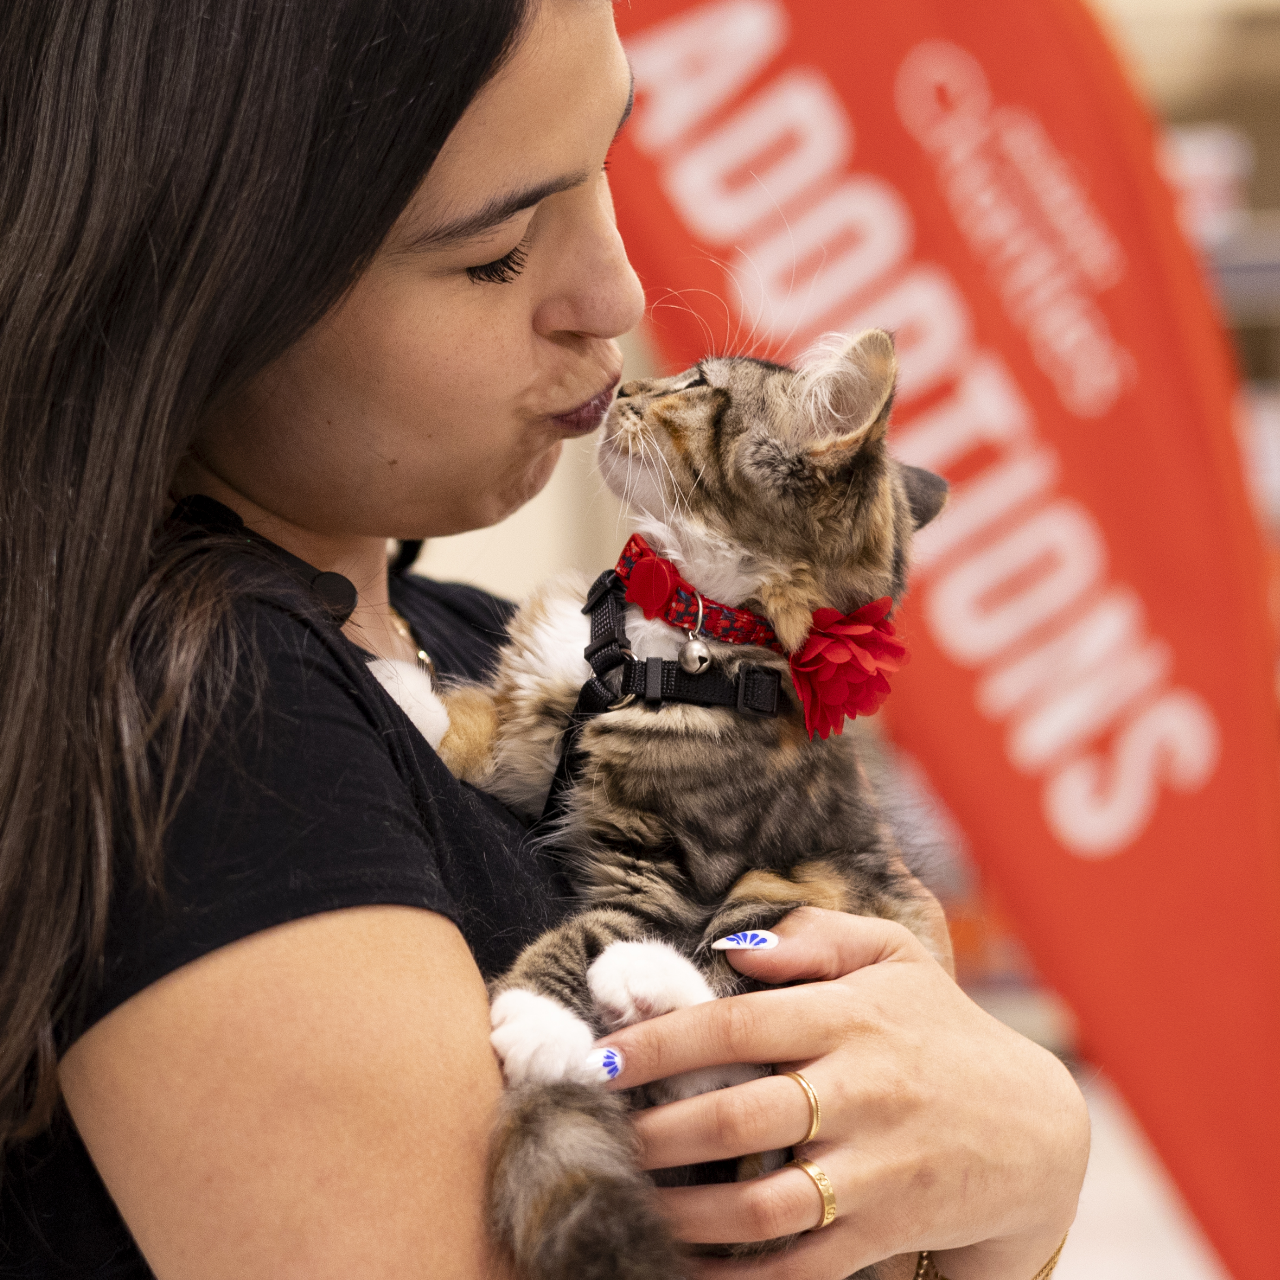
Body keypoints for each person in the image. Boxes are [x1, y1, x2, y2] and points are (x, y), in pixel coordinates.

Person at [0, 0, 1090, 1276]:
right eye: (499, 249)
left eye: (607, 160)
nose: (615, 294)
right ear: (206, 275)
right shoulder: (215, 705)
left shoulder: (478, 642)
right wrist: (1010, 1180)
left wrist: (1001, 1171)